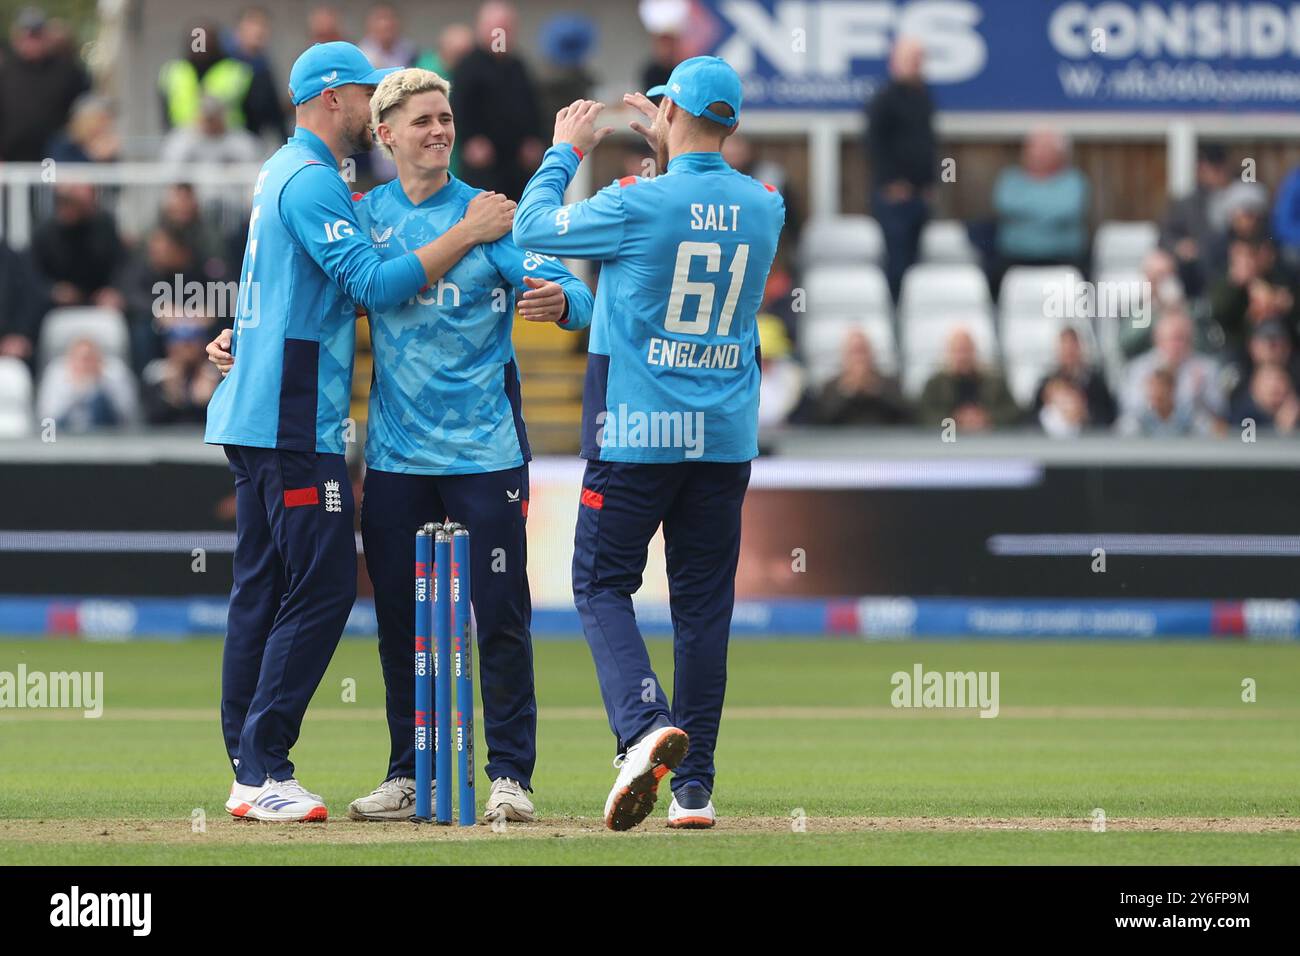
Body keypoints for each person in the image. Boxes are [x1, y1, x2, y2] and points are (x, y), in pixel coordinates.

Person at [201, 41, 516, 824]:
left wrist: (243, 336)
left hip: (264, 406)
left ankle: (250, 767)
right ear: (331, 97)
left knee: (263, 592)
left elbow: (277, 285)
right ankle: (264, 765)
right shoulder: (313, 180)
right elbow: (373, 284)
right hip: (291, 416)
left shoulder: (282, 170)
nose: (370, 108)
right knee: (326, 587)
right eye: (365, 94)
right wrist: (468, 233)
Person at [513, 57, 786, 831]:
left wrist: (566, 148)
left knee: (601, 585)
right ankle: (694, 791)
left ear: (670, 116)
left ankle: (640, 726)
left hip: (637, 431)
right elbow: (699, 208)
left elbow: (534, 227)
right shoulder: (767, 205)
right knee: (704, 610)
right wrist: (672, 142)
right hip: (723, 436)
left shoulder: (635, 201)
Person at [341, 68, 593, 824]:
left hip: (484, 453)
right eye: (421, 121)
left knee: (501, 616)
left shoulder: (493, 215)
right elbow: (343, 292)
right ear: (385, 134)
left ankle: (510, 777)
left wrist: (559, 302)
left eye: (445, 117)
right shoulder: (364, 216)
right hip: (393, 456)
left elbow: (574, 295)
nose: (439, 130)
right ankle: (408, 773)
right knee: (397, 619)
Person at [866, 37, 935, 302]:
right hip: (895, 199)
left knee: (916, 263)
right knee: (897, 263)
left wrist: (929, 185)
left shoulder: (924, 97)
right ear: (895, 62)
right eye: (910, 59)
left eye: (919, 59)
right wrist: (890, 184)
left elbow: (928, 143)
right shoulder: (884, 100)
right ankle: (894, 314)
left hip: (920, 196)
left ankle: (912, 311)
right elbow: (874, 145)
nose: (916, 65)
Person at [451, 1, 544, 199]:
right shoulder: (468, 66)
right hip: (484, 164)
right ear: (482, 29)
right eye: (496, 29)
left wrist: (534, 140)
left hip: (518, 164)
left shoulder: (518, 66)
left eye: (506, 29)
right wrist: (470, 141)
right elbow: (457, 110)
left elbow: (533, 108)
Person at [992, 128, 1089, 279]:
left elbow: (1068, 210)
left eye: (1044, 149)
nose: (1036, 154)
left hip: (1063, 259)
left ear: (1060, 154)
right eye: (1032, 148)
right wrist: (1048, 208)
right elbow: (1005, 205)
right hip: (1015, 260)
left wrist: (1026, 213)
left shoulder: (1073, 180)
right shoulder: (1010, 179)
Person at [0, 6, 89, 161]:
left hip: (54, 158)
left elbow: (86, 108)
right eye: (26, 34)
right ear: (16, 36)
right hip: (11, 159)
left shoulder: (67, 71)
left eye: (36, 34)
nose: (31, 40)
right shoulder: (5, 70)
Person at [917, 328, 1019, 430]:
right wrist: (954, 420)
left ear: (974, 351)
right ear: (948, 353)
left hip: (990, 442)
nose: (962, 356)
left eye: (966, 350)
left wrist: (987, 419)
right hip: (946, 442)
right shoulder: (935, 385)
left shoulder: (996, 383)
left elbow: (1013, 413)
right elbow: (923, 415)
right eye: (957, 351)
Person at [807, 328, 909, 425]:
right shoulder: (830, 387)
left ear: (872, 353)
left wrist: (874, 389)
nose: (859, 359)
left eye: (862, 351)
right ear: (844, 356)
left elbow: (905, 417)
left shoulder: (889, 384)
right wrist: (847, 391)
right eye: (854, 352)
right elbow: (821, 422)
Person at [36, 337, 138, 431]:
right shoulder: (56, 373)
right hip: (65, 436)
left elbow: (127, 415)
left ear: (99, 360)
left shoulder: (114, 374)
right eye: (80, 359)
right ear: (71, 360)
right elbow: (47, 417)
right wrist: (75, 391)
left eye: (89, 358)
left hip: (106, 436)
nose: (84, 364)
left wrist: (99, 384)